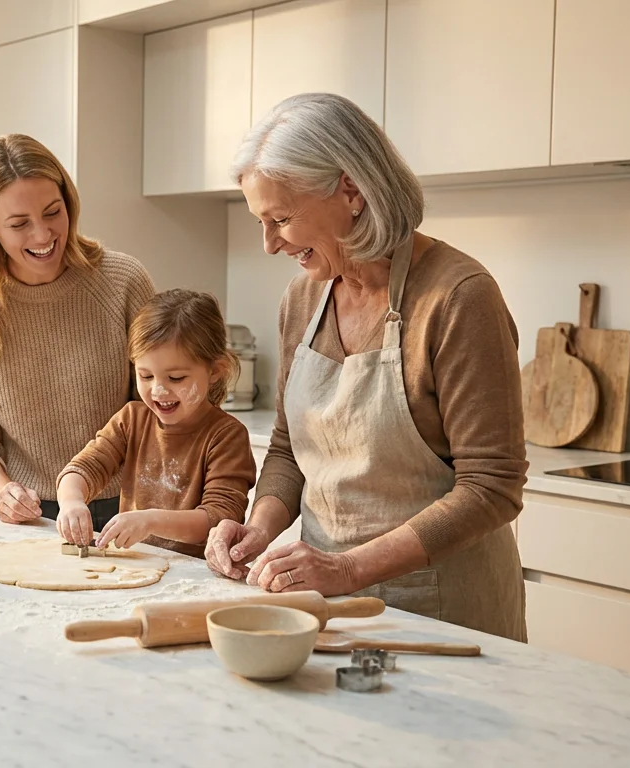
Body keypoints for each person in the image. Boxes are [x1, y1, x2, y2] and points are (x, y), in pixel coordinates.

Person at [205, 93, 528, 641]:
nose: (268, 244)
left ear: (350, 190)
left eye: (280, 219)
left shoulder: (457, 297)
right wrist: (259, 529)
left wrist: (349, 568)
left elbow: (492, 487)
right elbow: (288, 449)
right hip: (325, 608)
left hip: (443, 617)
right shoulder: (303, 300)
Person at [0, 133, 156, 531]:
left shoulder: (122, 281)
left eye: (53, 212)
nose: (42, 236)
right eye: (19, 224)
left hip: (128, 508)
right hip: (29, 514)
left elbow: (155, 405)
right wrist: (0, 490)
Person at [56, 289, 256, 557]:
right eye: (146, 376)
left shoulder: (226, 436)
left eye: (175, 378)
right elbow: (83, 468)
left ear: (215, 372)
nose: (158, 391)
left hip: (195, 577)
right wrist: (72, 502)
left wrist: (149, 521)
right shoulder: (132, 420)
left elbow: (219, 517)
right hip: (136, 566)